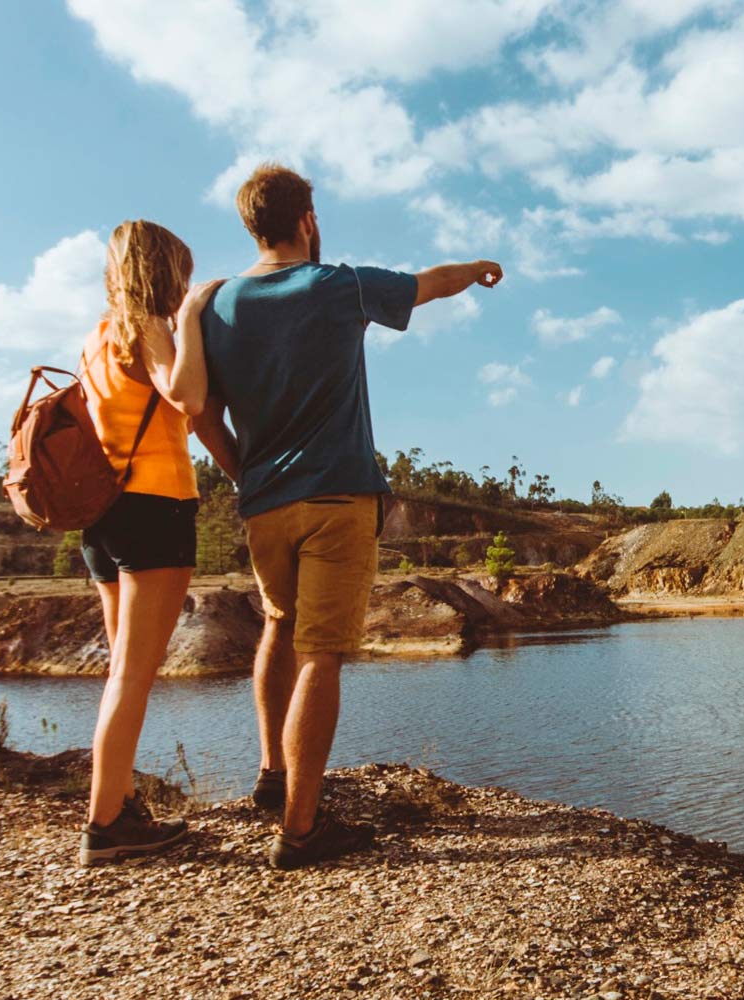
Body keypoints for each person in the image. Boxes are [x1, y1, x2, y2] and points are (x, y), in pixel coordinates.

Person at [192, 163, 502, 869]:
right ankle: (301, 829)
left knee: (278, 624)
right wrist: (477, 268)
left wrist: (245, 474)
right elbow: (430, 283)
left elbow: (202, 414)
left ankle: (272, 775)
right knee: (321, 654)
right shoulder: (338, 285)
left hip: (263, 504)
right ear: (308, 220)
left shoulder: (217, 305)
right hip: (336, 498)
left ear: (252, 226)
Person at [77, 219, 223, 865]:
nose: (186, 285)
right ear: (166, 273)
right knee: (134, 676)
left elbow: (144, 415)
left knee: (122, 672)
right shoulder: (151, 327)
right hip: (154, 509)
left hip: (104, 517)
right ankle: (105, 824)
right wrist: (189, 317)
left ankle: (121, 805)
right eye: (183, 275)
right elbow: (186, 396)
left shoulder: (98, 336)